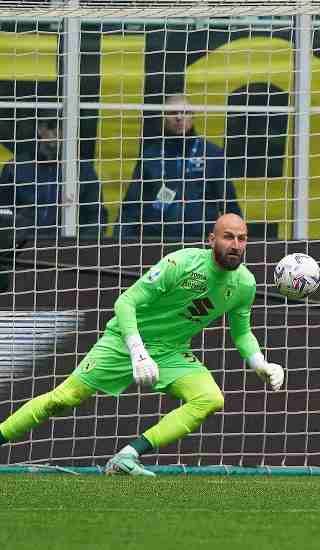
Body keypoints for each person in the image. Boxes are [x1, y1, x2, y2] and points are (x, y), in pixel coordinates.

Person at [0, 213, 284, 476]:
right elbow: (125, 302)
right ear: (212, 240)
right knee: (62, 399)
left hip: (171, 351)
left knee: (210, 398)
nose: (236, 244)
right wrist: (138, 352)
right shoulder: (182, 263)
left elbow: (242, 333)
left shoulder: (245, 284)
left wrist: (260, 363)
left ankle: (127, 456)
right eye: (228, 236)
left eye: (242, 238)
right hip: (124, 342)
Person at [119, 95, 242, 241]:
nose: (179, 117)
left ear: (193, 116)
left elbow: (229, 203)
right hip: (156, 239)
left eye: (185, 112)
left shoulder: (212, 154)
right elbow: (131, 205)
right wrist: (121, 240)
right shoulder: (150, 156)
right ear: (163, 117)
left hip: (200, 240)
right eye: (172, 113)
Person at [0, 117, 107, 236]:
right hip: (23, 247)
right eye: (52, 126)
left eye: (62, 126)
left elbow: (96, 217)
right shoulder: (16, 167)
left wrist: (81, 249)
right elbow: (4, 213)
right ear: (40, 129)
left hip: (68, 248)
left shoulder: (84, 170)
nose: (57, 132)